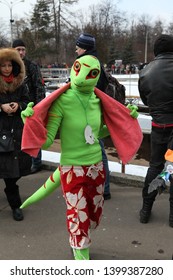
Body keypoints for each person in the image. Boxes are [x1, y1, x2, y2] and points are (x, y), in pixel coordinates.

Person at [20, 55, 142, 260]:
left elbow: (99, 133)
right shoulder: (62, 101)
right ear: (73, 69)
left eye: (92, 72)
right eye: (78, 68)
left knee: (94, 214)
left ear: (97, 76)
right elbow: (48, 141)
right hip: (71, 169)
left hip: (96, 167)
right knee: (79, 214)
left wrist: (126, 121)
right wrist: (29, 123)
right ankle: (80, 253)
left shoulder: (97, 100)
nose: (83, 75)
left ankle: (79, 237)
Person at [138, 34, 173, 226]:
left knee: (155, 166)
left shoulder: (146, 71)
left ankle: (145, 210)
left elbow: (145, 100)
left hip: (159, 125)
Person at [75, 33, 111, 200]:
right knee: (96, 148)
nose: (76, 50)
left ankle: (104, 187)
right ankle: (99, 186)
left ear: (85, 48)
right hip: (93, 113)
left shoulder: (90, 64)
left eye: (78, 46)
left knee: (98, 149)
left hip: (91, 113)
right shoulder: (94, 62)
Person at [0, 48, 32, 221]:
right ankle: (15, 205)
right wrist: (1, 107)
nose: (7, 69)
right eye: (3, 65)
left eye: (9, 65)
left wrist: (18, 105)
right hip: (1, 131)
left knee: (16, 168)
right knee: (8, 172)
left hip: (18, 131)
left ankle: (11, 191)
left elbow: (28, 101)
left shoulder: (20, 83)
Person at [12, 39, 46, 174]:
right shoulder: (10, 66)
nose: (21, 52)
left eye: (22, 49)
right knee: (18, 136)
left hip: (31, 108)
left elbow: (39, 87)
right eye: (18, 49)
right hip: (17, 107)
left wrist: (39, 108)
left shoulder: (31, 66)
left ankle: (36, 162)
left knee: (33, 136)